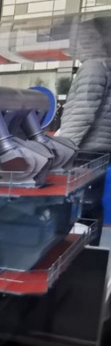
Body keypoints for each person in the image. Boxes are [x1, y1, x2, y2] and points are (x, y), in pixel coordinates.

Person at [55, 59, 111, 244]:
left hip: (85, 148)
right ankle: (89, 256)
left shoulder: (95, 65)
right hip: (100, 148)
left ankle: (74, 258)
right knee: (90, 205)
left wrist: (64, 148)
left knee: (77, 206)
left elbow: (82, 111)